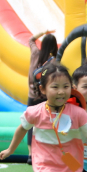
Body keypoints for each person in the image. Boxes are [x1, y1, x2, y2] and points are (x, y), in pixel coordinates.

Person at [28, 30, 58, 164]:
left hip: (32, 94)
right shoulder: (54, 61)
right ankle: (46, 154)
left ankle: (30, 155)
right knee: (48, 124)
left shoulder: (35, 53)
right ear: (54, 46)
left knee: (30, 124)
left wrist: (43, 32)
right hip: (47, 97)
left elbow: (31, 40)